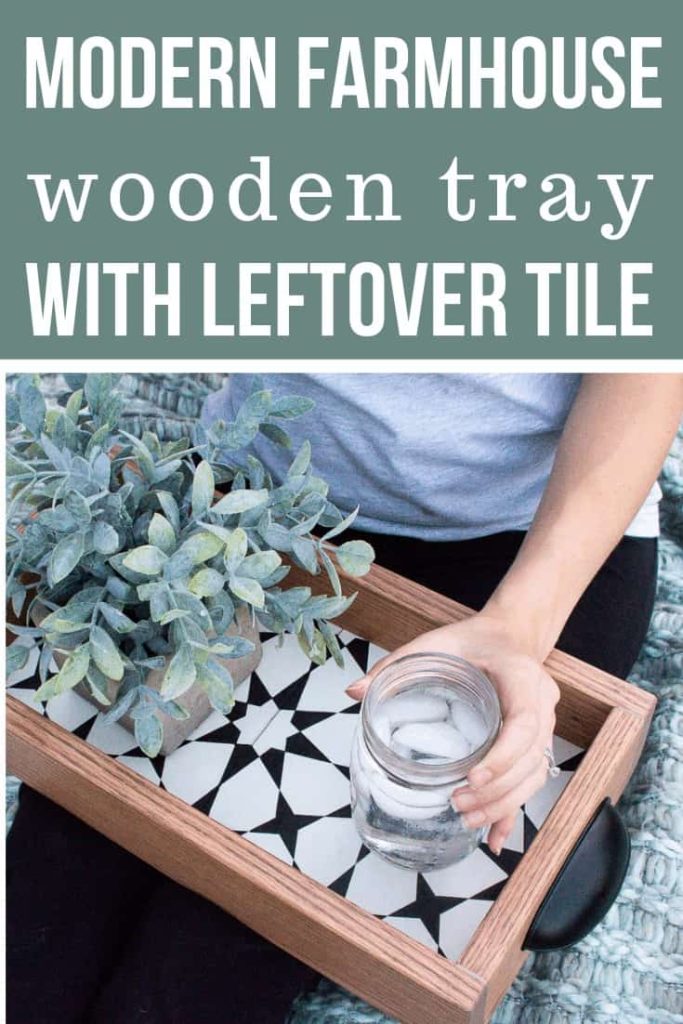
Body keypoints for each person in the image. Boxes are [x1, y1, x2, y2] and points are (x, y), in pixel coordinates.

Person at [8, 372, 682, 1024]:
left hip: (536, 533)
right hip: (258, 489)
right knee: (49, 913)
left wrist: (519, 625)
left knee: (207, 958)